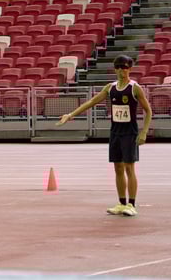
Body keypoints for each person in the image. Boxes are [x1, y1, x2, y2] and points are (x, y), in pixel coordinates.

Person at [57, 55, 152, 216]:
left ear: (130, 69)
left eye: (125, 67)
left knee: (129, 167)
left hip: (130, 132)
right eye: (119, 67)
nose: (122, 70)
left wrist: (144, 132)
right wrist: (70, 114)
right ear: (115, 69)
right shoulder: (110, 87)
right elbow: (91, 102)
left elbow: (148, 111)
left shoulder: (135, 88)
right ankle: (121, 203)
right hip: (115, 132)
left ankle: (132, 204)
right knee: (118, 168)